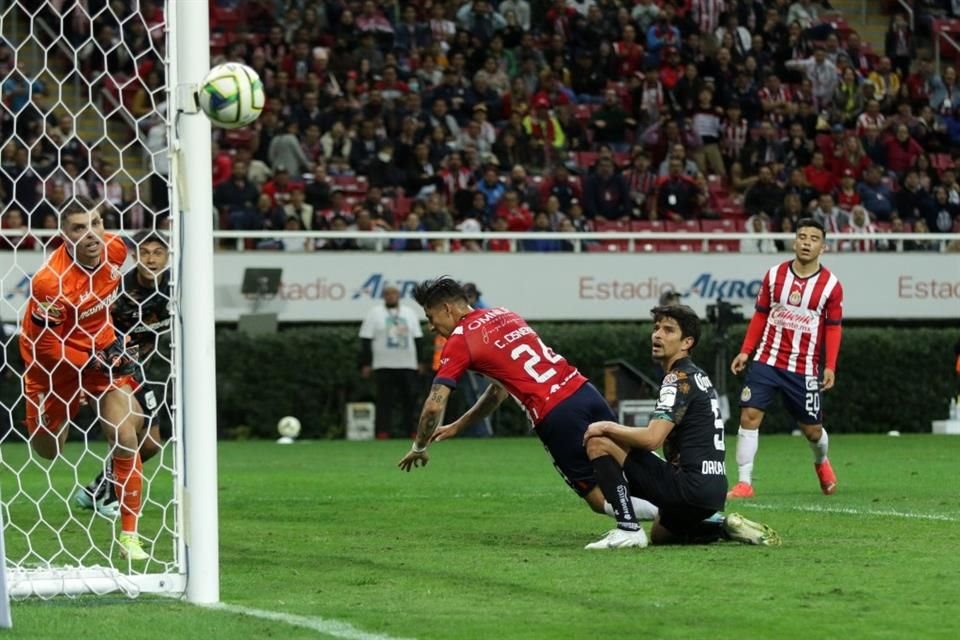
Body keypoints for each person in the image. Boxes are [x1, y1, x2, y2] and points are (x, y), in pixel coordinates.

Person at [398, 277, 658, 536]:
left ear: (447, 309)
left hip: (554, 411)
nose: (431, 327)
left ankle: (665, 517)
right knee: (629, 462)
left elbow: (433, 406)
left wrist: (419, 446)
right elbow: (498, 391)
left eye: (431, 317)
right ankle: (683, 503)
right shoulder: (505, 314)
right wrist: (460, 424)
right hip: (583, 391)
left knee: (596, 496)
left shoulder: (460, 340)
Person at [581, 304, 780, 548]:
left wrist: (606, 427)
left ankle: (628, 529)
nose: (657, 334)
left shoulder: (677, 378)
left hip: (688, 486)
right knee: (660, 534)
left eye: (668, 330)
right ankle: (724, 527)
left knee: (598, 442)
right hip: (713, 491)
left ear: (687, 342)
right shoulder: (699, 376)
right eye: (656, 328)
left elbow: (652, 438)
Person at [19, 199, 148, 560]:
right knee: (48, 451)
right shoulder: (49, 282)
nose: (91, 234)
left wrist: (112, 347)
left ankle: (129, 537)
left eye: (95, 223)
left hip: (101, 357)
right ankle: (62, 416)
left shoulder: (116, 250)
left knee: (125, 437)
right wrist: (89, 361)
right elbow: (45, 346)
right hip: (53, 370)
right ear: (64, 235)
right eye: (79, 228)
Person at [728, 218, 843, 499]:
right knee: (749, 416)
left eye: (813, 238)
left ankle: (821, 462)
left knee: (813, 431)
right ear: (794, 242)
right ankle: (744, 482)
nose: (806, 242)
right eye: (802, 236)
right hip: (766, 360)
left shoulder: (831, 286)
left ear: (823, 247)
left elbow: (833, 328)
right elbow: (761, 314)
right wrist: (746, 350)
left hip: (803, 368)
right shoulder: (775, 274)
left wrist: (829, 366)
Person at [73, 231, 172, 520]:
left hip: (147, 368)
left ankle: (97, 489)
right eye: (145, 252)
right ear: (133, 255)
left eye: (158, 252)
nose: (151, 259)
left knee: (151, 445)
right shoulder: (118, 289)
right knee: (134, 436)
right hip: (115, 369)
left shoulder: (174, 288)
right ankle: (107, 495)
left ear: (167, 257)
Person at [359, 284, 426, 439]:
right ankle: (383, 432)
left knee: (410, 400)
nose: (391, 296)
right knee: (384, 401)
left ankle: (412, 431)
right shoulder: (374, 313)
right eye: (387, 294)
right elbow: (365, 339)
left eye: (394, 293)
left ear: (399, 295)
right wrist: (366, 363)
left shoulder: (409, 313)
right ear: (383, 296)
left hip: (407, 364)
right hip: (383, 364)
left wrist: (420, 361)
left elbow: (418, 338)